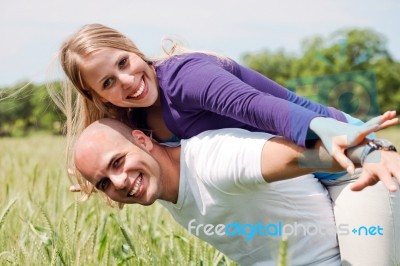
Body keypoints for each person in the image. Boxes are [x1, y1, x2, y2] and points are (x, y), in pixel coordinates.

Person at [50, 23, 400, 265]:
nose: (127, 82)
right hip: (310, 171)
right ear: (96, 96)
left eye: (124, 62)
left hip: (344, 153)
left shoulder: (185, 79)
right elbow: (124, 164)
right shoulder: (135, 121)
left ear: (132, 50)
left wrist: (361, 146)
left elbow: (258, 107)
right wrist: (93, 181)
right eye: (108, 82)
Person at [73, 118, 400, 265]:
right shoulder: (161, 183)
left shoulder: (214, 160)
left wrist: (370, 153)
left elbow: (297, 155)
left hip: (352, 222)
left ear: (143, 140)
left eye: (117, 162)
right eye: (104, 182)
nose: (118, 182)